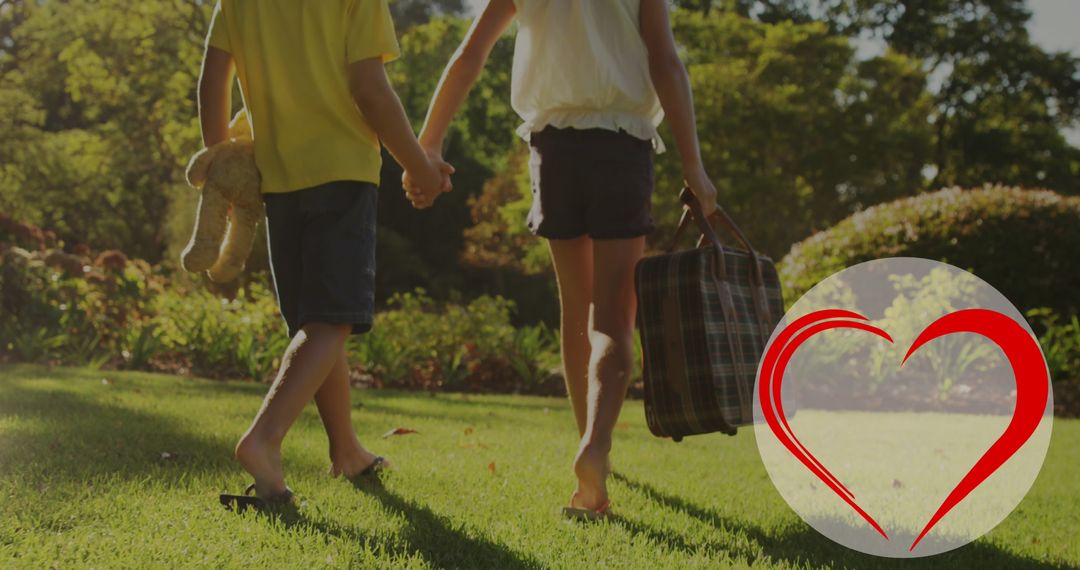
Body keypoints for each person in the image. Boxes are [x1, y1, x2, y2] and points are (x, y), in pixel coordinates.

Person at [407, 0, 721, 517]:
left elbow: (470, 54)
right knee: (614, 321)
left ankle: (588, 440)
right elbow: (665, 61)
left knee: (577, 311)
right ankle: (596, 446)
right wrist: (694, 166)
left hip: (553, 149)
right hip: (622, 145)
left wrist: (429, 144)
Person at [198, 0, 452, 506]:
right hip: (341, 175)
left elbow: (211, 82)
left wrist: (225, 166)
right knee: (330, 322)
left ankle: (348, 451)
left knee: (315, 324)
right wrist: (420, 167)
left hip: (278, 182)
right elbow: (370, 89)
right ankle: (263, 440)